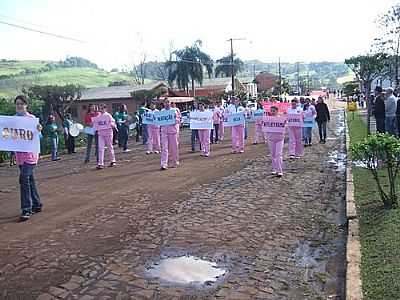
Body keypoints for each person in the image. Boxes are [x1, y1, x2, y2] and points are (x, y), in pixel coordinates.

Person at [14, 95, 43, 221]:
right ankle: (37, 204)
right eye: (17, 103)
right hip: (19, 156)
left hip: (30, 155)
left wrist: (39, 130)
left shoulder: (31, 119)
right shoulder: (12, 120)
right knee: (29, 179)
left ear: (26, 105)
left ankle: (26, 209)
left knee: (24, 178)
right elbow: (8, 135)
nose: (19, 106)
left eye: (21, 103)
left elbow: (39, 137)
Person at [264, 106, 286, 177]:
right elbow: (264, 127)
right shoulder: (267, 119)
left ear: (277, 111)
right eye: (271, 111)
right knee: (273, 155)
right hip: (271, 138)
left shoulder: (281, 118)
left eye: (274, 111)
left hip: (279, 139)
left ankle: (280, 170)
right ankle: (274, 169)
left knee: (278, 154)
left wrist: (285, 123)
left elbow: (285, 126)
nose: (272, 112)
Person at [93, 104, 117, 169]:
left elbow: (113, 122)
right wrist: (94, 129)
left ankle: (113, 161)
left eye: (102, 108)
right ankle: (100, 164)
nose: (101, 110)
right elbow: (95, 124)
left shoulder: (108, 115)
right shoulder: (98, 116)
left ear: (105, 108)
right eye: (100, 108)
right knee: (100, 148)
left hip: (108, 132)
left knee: (109, 146)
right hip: (100, 133)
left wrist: (112, 124)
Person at [160, 98, 180, 170]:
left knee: (174, 147)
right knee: (164, 148)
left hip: (173, 131)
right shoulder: (161, 111)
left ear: (170, 103)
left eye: (168, 102)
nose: (167, 103)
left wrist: (174, 120)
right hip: (164, 132)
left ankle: (175, 162)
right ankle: (164, 163)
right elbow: (159, 120)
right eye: (165, 102)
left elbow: (178, 120)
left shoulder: (174, 110)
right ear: (164, 103)